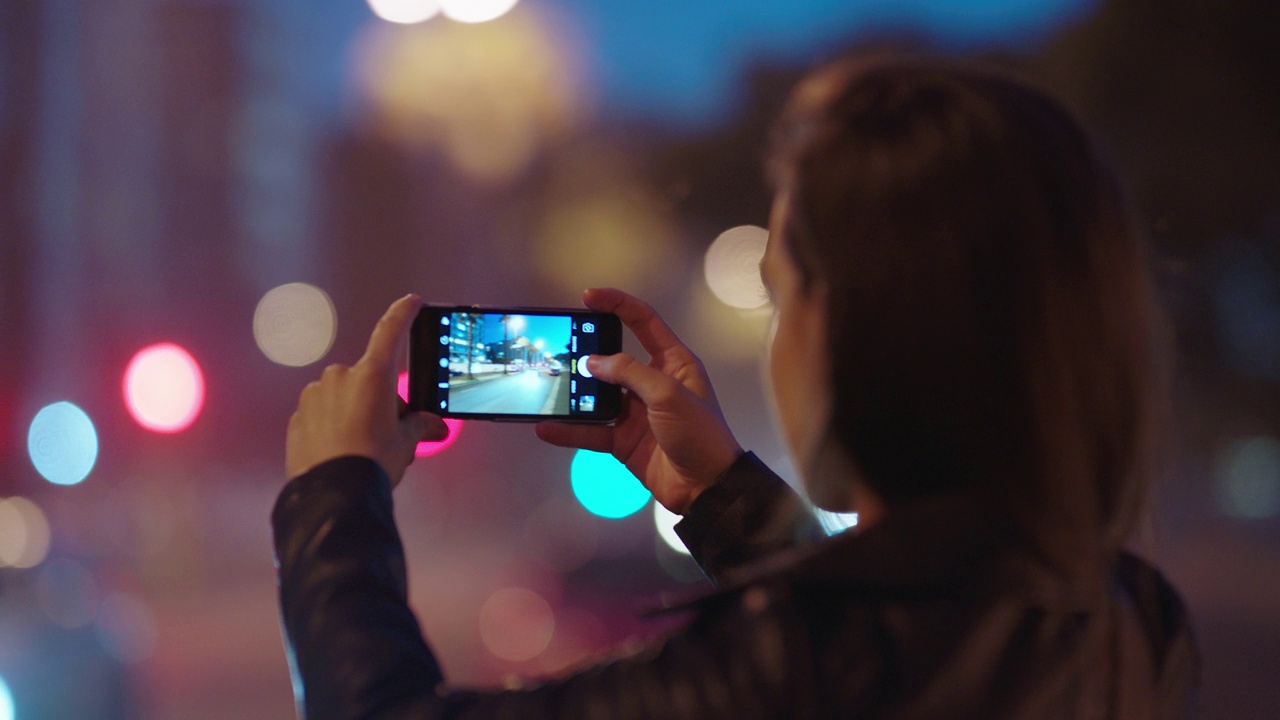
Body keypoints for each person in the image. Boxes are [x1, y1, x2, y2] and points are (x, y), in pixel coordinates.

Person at [273, 56, 1199, 719]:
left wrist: (333, 501)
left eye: (780, 294)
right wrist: (723, 498)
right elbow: (899, 633)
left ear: (866, 329)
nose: (777, 343)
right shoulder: (1134, 623)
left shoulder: (777, 670)